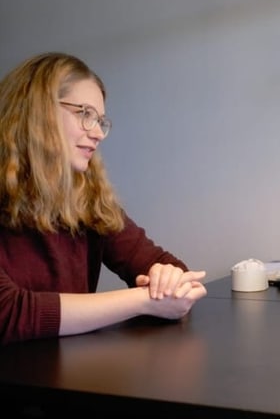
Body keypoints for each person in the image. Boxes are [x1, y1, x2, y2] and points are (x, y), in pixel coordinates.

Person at [0, 52, 207, 345]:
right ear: (37, 112)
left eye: (100, 120)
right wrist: (145, 300)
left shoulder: (88, 199)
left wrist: (167, 279)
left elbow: (174, 270)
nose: (98, 133)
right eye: (85, 114)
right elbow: (8, 313)